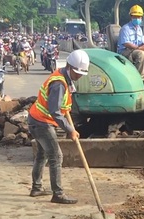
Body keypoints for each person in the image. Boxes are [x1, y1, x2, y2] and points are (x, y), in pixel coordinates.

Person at [28, 49, 89, 204]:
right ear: (69, 66)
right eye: (77, 73)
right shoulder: (58, 84)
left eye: (81, 74)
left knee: (42, 154)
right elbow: (55, 111)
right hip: (41, 122)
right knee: (56, 156)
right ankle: (58, 194)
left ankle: (36, 188)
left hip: (37, 119)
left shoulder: (63, 77)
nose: (79, 76)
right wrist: (70, 129)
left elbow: (62, 106)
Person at [117, 5, 144, 80]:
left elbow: (142, 42)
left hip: (136, 49)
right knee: (140, 54)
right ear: (131, 17)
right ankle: (139, 79)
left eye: (139, 17)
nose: (137, 19)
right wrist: (139, 48)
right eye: (135, 17)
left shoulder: (139, 29)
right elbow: (126, 43)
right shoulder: (125, 28)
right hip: (125, 51)